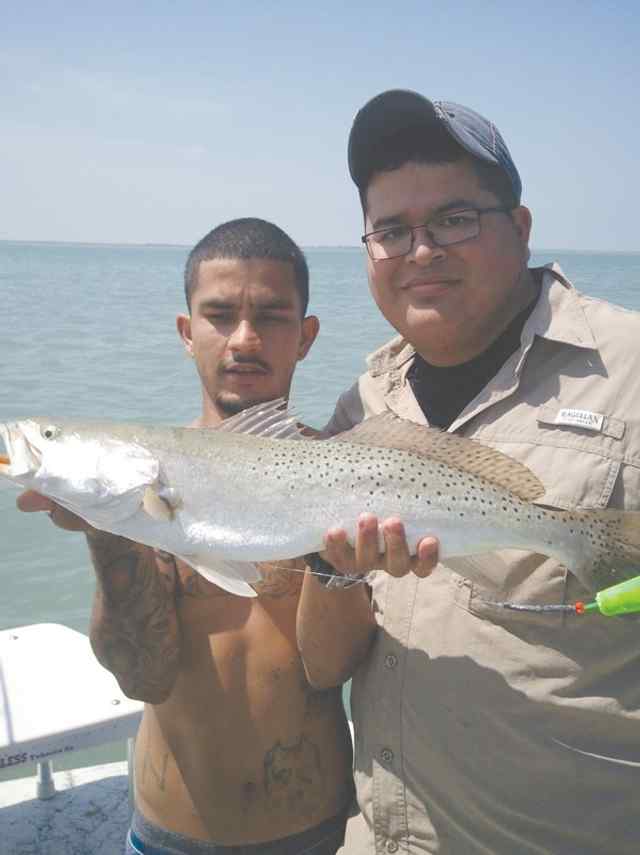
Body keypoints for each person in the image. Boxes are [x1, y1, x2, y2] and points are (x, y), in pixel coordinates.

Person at [296, 91, 640, 855]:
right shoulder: (359, 407)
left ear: (519, 229)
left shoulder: (632, 372)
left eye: (454, 219)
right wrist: (337, 572)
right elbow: (322, 666)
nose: (421, 252)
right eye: (391, 230)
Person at [17, 217, 383, 855]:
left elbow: (329, 670)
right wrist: (109, 528)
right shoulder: (140, 477)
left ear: (306, 336)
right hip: (167, 835)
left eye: (271, 316)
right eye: (219, 315)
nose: (244, 338)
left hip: (318, 834)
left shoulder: (350, 484)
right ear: (188, 334)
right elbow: (144, 677)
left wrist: (335, 562)